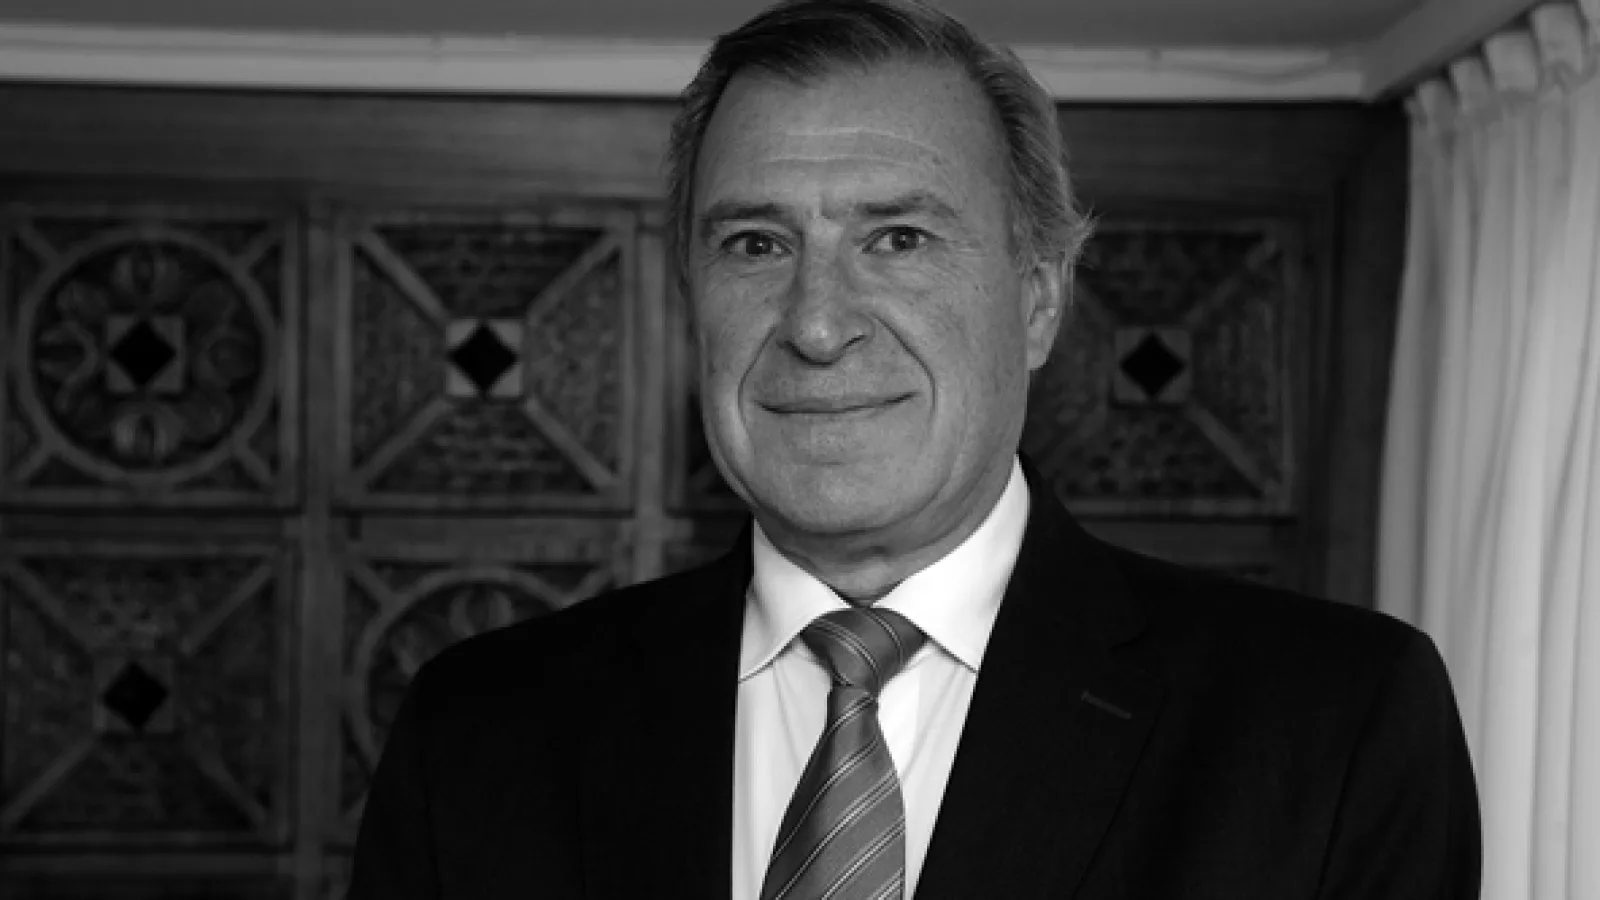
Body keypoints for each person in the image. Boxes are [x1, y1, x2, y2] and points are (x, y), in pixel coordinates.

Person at [347, 0, 1482, 897]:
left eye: (897, 238)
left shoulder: (1328, 725)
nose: (817, 323)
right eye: (755, 244)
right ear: (690, 300)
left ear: (1037, 302)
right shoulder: (481, 734)